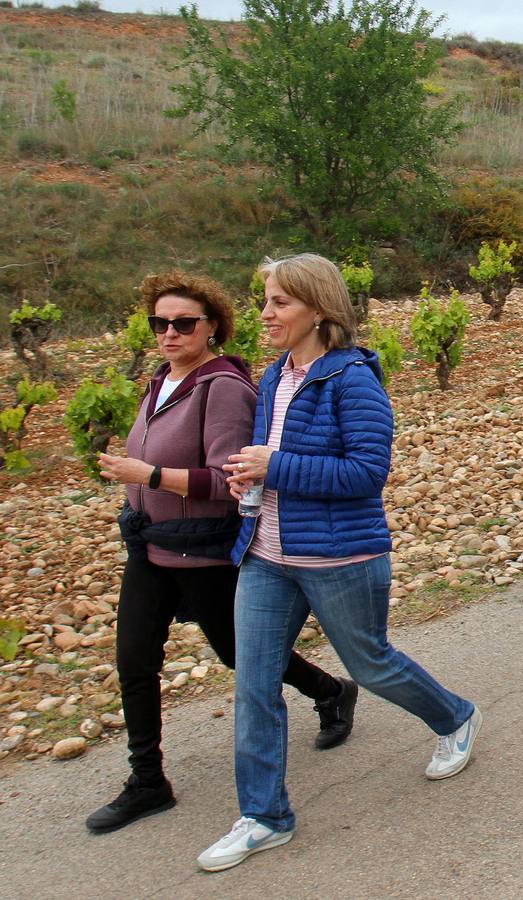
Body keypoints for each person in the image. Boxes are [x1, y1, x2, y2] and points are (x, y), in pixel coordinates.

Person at [198, 254, 481, 872]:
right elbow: (274, 460)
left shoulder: (352, 380)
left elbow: (365, 473)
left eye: (279, 302)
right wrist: (250, 476)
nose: (265, 313)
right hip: (265, 554)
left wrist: (274, 467)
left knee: (370, 664)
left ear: (319, 309)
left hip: (338, 555)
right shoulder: (274, 376)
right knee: (253, 684)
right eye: (265, 300)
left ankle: (456, 717)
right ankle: (264, 816)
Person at [86, 272, 355, 836]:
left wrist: (149, 475)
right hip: (150, 545)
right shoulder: (160, 381)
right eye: (160, 322)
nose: (169, 332)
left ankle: (331, 691)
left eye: (184, 323)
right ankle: (147, 780)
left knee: (239, 654)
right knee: (135, 660)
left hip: (202, 549)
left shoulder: (223, 388)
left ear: (212, 327)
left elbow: (228, 480)